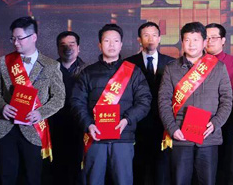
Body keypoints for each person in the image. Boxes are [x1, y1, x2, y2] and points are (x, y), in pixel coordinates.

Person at [0, 16, 65, 185]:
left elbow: (59, 98)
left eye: (20, 38)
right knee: (5, 177)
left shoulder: (51, 65)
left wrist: (40, 113)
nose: (16, 43)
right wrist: (2, 106)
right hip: (6, 128)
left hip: (34, 129)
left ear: (33, 37)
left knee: (32, 178)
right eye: (13, 38)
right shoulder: (5, 61)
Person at [70, 23, 151, 185]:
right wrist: (88, 124)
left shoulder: (133, 72)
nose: (111, 45)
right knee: (93, 181)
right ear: (100, 45)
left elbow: (145, 101)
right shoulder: (88, 72)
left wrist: (127, 120)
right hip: (95, 137)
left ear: (121, 44)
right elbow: (77, 102)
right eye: (107, 41)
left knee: (123, 181)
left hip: (123, 137)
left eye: (116, 41)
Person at [158, 22, 233, 185]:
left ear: (204, 42)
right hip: (180, 135)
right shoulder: (171, 68)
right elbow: (163, 101)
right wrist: (172, 128)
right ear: (182, 42)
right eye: (187, 40)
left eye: (196, 40)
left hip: (208, 136)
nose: (191, 44)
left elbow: (227, 100)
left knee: (207, 181)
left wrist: (215, 123)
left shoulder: (218, 67)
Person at [125, 22, 174, 185]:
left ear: (159, 38)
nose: (150, 39)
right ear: (139, 39)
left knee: (162, 169)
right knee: (140, 168)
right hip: (137, 124)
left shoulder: (171, 63)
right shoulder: (128, 64)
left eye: (154, 35)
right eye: (146, 35)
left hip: (164, 124)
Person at [205, 23, 233, 185]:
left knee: (228, 168)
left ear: (223, 40)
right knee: (205, 168)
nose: (209, 41)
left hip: (230, 121)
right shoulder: (196, 63)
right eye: (206, 37)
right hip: (203, 121)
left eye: (214, 37)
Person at [50, 31, 88, 185]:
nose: (68, 48)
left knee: (79, 170)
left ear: (78, 47)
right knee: (57, 169)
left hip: (80, 127)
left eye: (72, 44)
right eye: (63, 45)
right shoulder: (49, 70)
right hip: (55, 126)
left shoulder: (88, 71)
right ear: (58, 49)